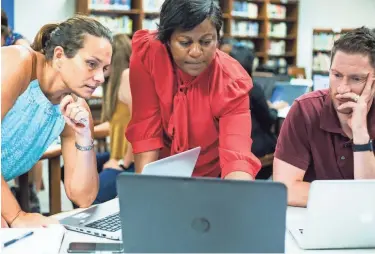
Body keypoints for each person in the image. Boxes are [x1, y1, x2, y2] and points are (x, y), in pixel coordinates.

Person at [126, 0, 261, 180]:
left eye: (206, 42)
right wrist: (145, 191)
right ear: (167, 40)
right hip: (160, 171)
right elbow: (146, 131)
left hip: (208, 180)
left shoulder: (232, 82)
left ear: (218, 39)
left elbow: (236, 155)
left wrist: (237, 199)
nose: (196, 52)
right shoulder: (148, 54)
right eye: (185, 42)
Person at [1, 15, 112, 228]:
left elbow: (83, 197)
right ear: (59, 55)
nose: (100, 78)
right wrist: (16, 216)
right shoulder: (19, 61)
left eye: (104, 69)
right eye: (91, 64)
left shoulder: (75, 106)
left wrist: (84, 136)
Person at [273, 27, 375, 207]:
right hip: (314, 221)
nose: (342, 88)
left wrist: (360, 133)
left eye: (356, 79)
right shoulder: (305, 109)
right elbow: (285, 189)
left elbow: (370, 201)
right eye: (336, 75)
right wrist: (352, 199)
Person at [229, 44, 287, 179]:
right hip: (255, 148)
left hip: (230, 147)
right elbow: (267, 119)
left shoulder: (222, 87)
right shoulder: (252, 88)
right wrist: (272, 109)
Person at [93, 33, 134, 203]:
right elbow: (116, 124)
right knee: (71, 170)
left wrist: (123, 164)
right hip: (118, 154)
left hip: (130, 160)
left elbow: (139, 127)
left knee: (94, 191)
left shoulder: (128, 79)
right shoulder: (114, 84)